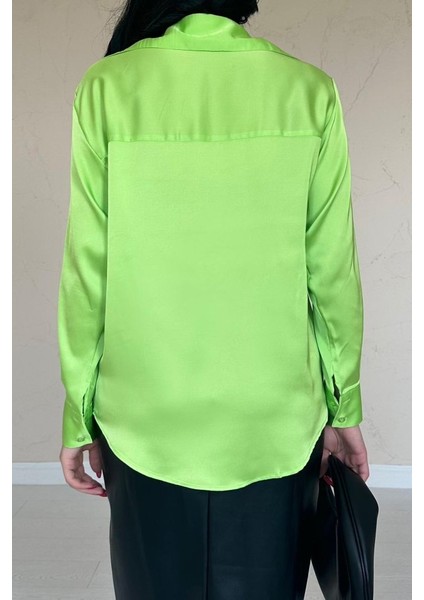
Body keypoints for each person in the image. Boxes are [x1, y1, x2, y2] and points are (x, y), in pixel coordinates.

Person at [57, 1, 369, 598]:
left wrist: (79, 413)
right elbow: (332, 275)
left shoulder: (107, 89)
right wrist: (343, 408)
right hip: (275, 423)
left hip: (143, 420)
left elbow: (87, 276)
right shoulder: (309, 92)